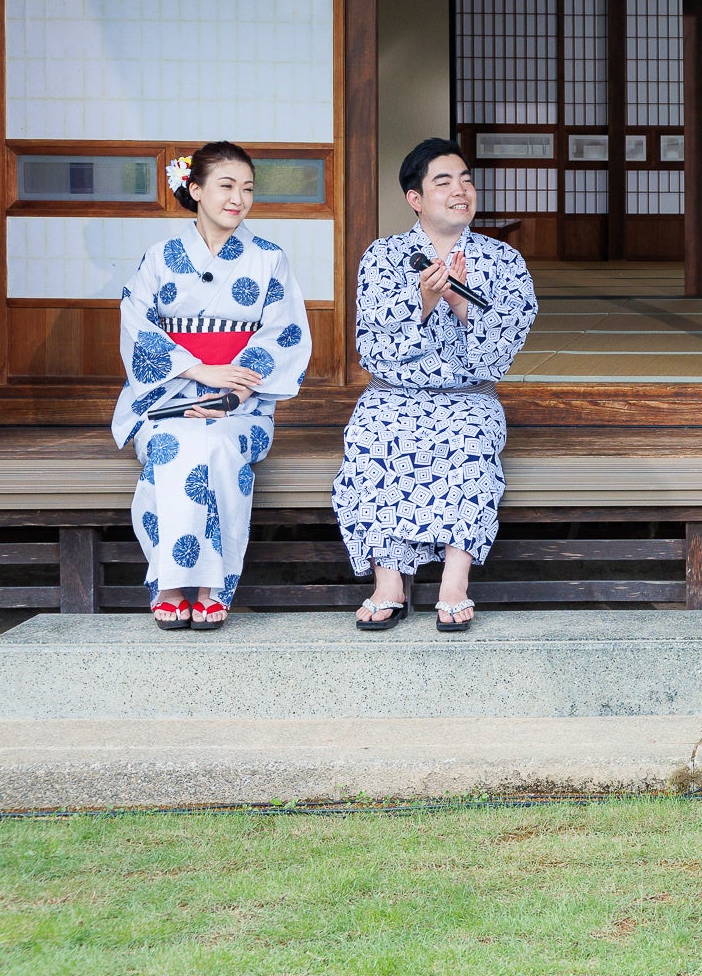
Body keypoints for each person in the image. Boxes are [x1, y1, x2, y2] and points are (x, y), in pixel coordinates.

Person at [333, 138, 537, 633]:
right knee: (371, 440)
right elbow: (372, 347)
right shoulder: (383, 257)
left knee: (469, 445)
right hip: (392, 396)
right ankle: (388, 583)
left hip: (468, 398)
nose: (460, 190)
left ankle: (454, 582)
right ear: (416, 198)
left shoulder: (503, 261)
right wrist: (423, 303)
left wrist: (463, 306)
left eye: (466, 180)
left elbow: (502, 352)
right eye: (443, 182)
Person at [112, 142, 313, 629]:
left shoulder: (268, 259)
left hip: (241, 403)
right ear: (196, 190)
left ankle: (211, 585)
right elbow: (137, 325)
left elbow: (283, 334)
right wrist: (198, 371)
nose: (238, 198)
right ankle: (170, 582)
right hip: (166, 399)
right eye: (226, 186)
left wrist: (231, 394)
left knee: (219, 446)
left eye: (248, 188)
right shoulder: (161, 257)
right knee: (174, 446)